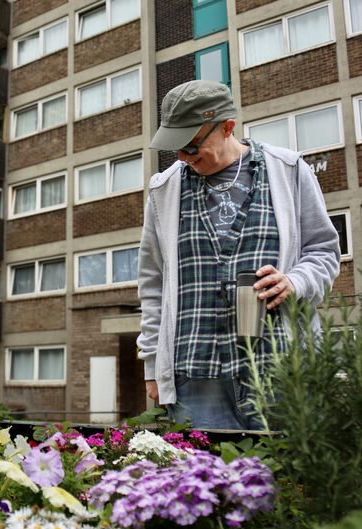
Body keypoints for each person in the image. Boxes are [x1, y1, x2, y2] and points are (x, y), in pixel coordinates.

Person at [136, 80, 340, 430]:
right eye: (176, 149)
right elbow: (152, 284)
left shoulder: (289, 170)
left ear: (227, 127)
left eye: (192, 145)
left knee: (287, 481)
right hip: (195, 377)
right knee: (205, 482)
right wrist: (153, 365)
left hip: (279, 370)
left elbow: (324, 252)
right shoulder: (163, 190)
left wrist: (295, 281)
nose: (184, 157)